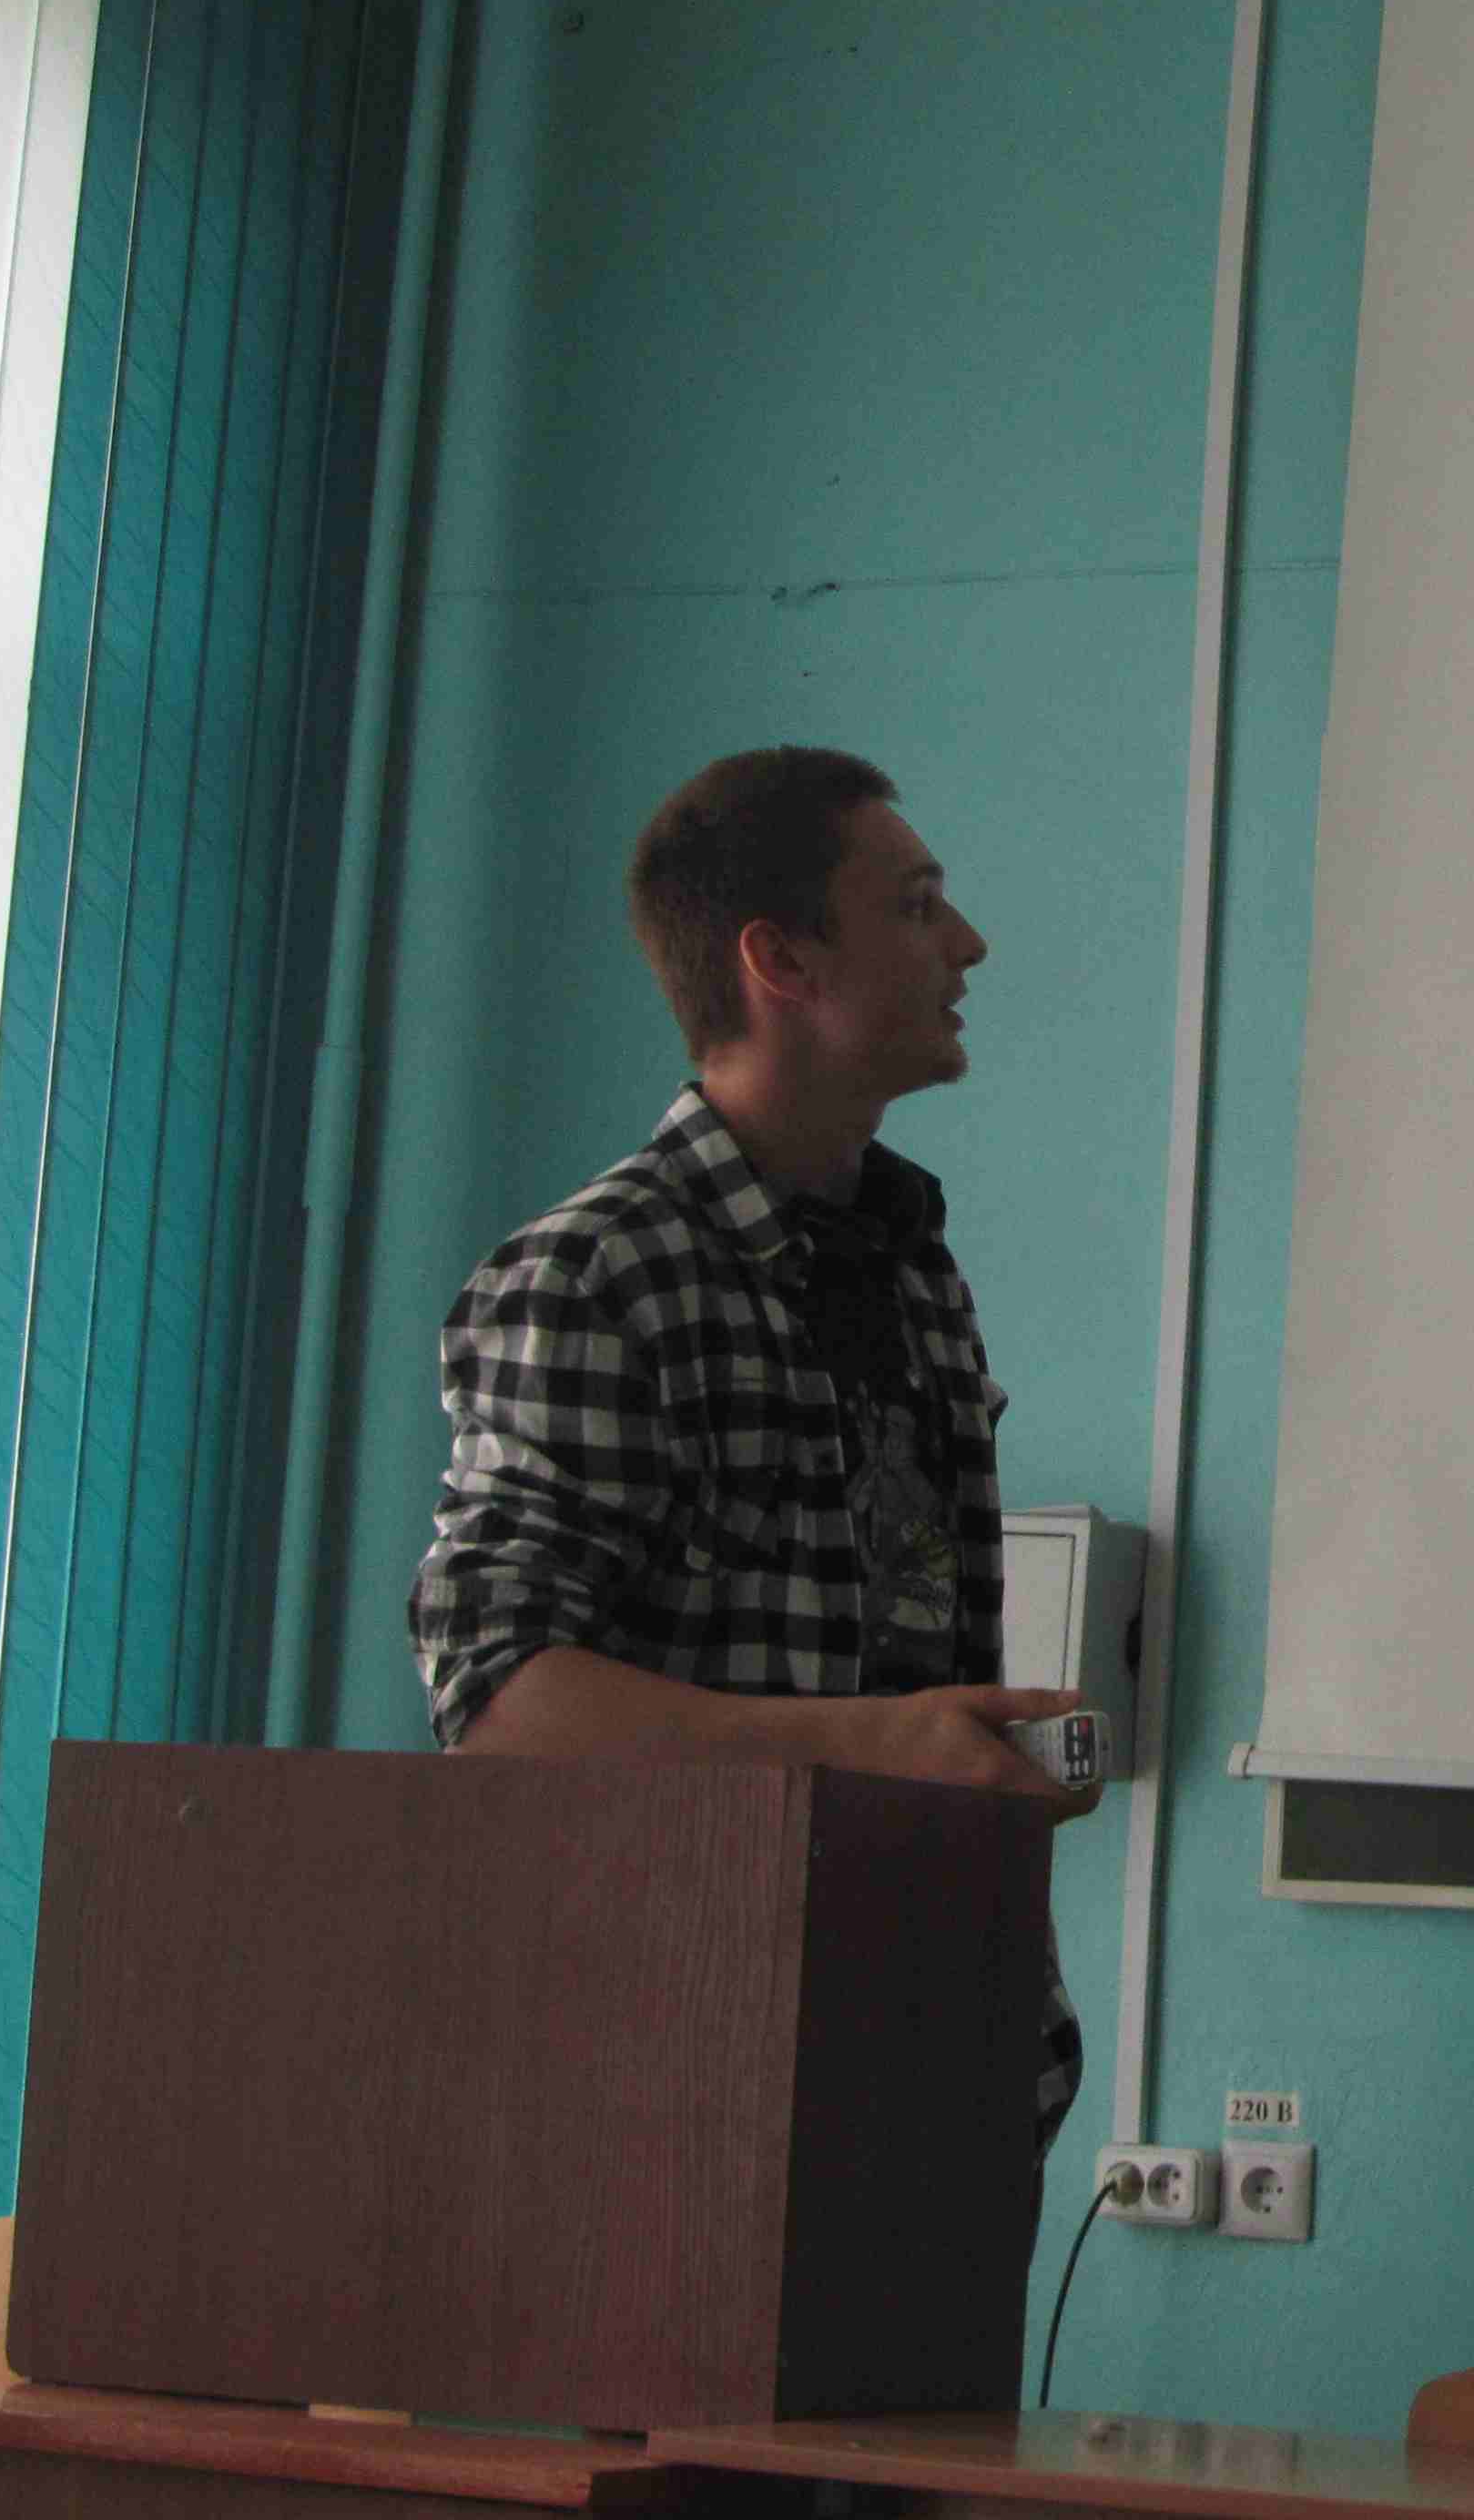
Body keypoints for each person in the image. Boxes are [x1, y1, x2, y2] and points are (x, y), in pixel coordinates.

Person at [408, 745, 1093, 2154]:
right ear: (782, 960)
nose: (968, 944)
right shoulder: (595, 1274)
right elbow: (505, 1705)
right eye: (917, 906)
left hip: (923, 2050)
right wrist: (884, 1749)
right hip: (665, 2072)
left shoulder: (913, 1265)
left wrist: (960, 1770)